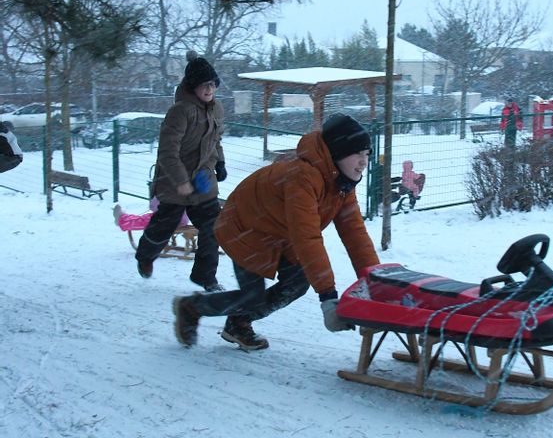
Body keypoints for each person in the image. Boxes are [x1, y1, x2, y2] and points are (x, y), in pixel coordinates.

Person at [171, 113, 380, 351]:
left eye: (366, 154)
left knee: (296, 284)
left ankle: (238, 323)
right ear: (338, 152)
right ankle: (193, 306)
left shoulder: (341, 185)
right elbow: (308, 237)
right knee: (253, 296)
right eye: (357, 154)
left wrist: (374, 282)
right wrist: (328, 299)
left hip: (279, 231)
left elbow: (356, 236)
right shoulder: (303, 177)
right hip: (246, 226)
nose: (364, 162)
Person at [134, 51, 226, 292]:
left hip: (203, 180)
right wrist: (180, 181)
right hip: (175, 181)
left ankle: (206, 277)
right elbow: (167, 152)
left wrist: (220, 163)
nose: (209, 90)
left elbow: (216, 140)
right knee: (165, 225)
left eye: (212, 85)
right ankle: (145, 255)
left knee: (214, 227)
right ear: (193, 86)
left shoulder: (217, 110)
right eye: (204, 85)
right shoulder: (180, 111)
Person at [113, 197, 190, 232]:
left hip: (168, 220)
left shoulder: (168, 192)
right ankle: (124, 217)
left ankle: (122, 221)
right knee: (145, 218)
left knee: (144, 221)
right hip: (176, 219)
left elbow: (153, 206)